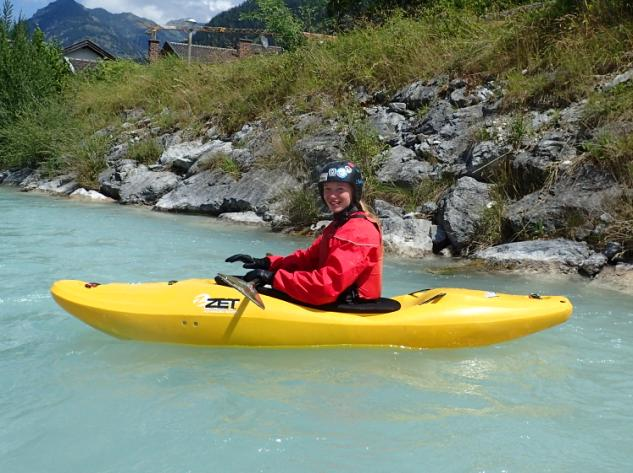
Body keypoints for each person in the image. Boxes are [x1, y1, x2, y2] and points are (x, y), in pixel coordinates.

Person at [226, 161, 383, 306]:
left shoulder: (359, 232)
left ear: (354, 192)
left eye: (340, 189)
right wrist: (268, 263)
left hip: (350, 307)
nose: (332, 195)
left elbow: (326, 286)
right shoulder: (339, 226)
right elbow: (307, 260)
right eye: (327, 189)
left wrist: (273, 278)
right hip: (336, 300)